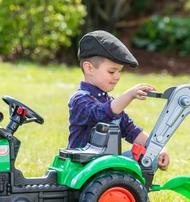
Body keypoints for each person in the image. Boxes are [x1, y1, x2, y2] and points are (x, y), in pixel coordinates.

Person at [68, 30, 170, 171]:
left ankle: (132, 192)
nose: (117, 76)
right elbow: (101, 113)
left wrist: (158, 148)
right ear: (89, 68)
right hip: (82, 167)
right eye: (111, 71)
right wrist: (128, 95)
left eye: (119, 71)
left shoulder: (110, 101)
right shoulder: (80, 100)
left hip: (104, 167)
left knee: (148, 157)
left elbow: (131, 130)